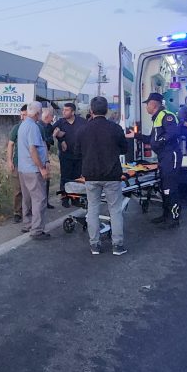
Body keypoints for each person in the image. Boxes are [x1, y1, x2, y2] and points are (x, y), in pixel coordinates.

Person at [74, 96, 128, 255]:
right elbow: (124, 149)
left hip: (90, 175)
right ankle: (117, 245)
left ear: (91, 110)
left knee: (93, 210)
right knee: (115, 210)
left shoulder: (83, 129)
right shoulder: (115, 128)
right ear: (106, 110)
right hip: (112, 175)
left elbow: (77, 152)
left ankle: (94, 245)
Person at [126, 92, 182, 228]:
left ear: (153, 104)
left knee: (170, 188)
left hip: (171, 156)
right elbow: (152, 139)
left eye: (147, 105)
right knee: (164, 188)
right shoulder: (157, 118)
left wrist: (159, 142)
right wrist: (136, 136)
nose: (146, 107)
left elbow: (173, 133)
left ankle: (174, 219)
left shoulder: (166, 116)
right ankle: (166, 215)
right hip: (164, 157)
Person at [17, 101, 51, 239]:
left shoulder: (23, 125)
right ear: (37, 113)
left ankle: (28, 224)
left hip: (23, 168)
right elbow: (33, 149)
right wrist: (42, 167)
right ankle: (37, 230)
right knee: (39, 199)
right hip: (33, 169)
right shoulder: (33, 127)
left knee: (27, 198)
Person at [53, 102, 87, 205]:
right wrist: (61, 139)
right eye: (63, 110)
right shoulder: (60, 122)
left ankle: (75, 198)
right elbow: (51, 131)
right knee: (65, 177)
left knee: (76, 177)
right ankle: (64, 198)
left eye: (66, 110)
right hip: (65, 155)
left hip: (79, 155)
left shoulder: (82, 122)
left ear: (73, 112)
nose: (64, 112)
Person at [6, 105, 28, 222]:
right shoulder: (17, 128)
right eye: (21, 115)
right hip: (18, 163)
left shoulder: (36, 127)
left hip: (30, 165)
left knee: (29, 190)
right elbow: (10, 144)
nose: (22, 117)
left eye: (25, 115)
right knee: (17, 189)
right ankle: (17, 212)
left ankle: (28, 210)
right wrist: (9, 160)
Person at [38, 104, 57, 208]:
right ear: (46, 117)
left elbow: (51, 142)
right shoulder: (40, 127)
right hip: (40, 156)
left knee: (47, 180)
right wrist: (53, 135)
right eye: (51, 116)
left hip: (46, 155)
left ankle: (46, 201)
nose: (52, 119)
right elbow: (45, 141)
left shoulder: (49, 126)